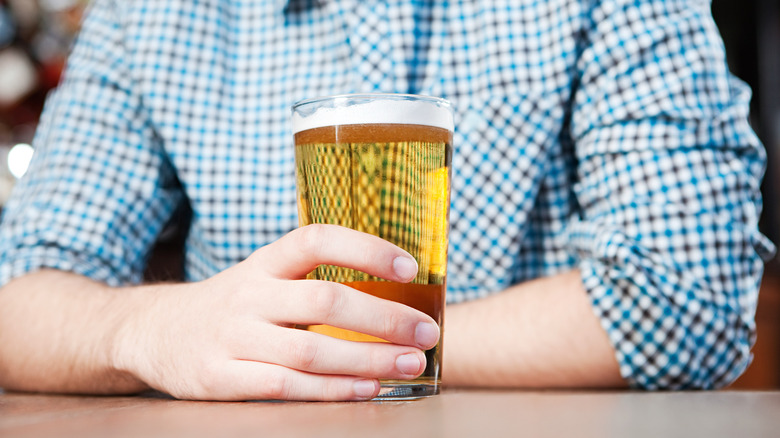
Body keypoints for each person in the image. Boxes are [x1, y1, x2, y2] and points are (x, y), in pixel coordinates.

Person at [0, 0, 774, 401]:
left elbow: (688, 300)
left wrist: (347, 351)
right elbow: (17, 304)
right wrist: (157, 328)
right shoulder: (152, 16)